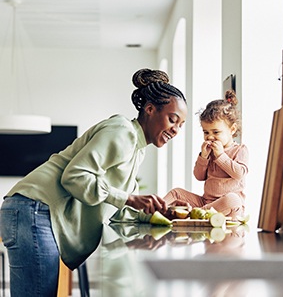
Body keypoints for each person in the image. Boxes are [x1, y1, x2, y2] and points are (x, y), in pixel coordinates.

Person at [0, 68, 187, 297]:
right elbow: (75, 177)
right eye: (173, 120)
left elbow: (121, 206)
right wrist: (129, 198)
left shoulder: (137, 149)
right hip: (33, 208)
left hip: (33, 210)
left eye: (181, 125)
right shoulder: (122, 131)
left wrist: (160, 213)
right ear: (149, 109)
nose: (176, 130)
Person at [164, 90, 249, 220]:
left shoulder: (240, 150)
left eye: (216, 132)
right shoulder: (209, 151)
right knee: (176, 192)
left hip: (226, 207)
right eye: (206, 132)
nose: (210, 137)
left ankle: (196, 215)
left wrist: (221, 156)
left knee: (233, 199)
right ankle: (155, 211)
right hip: (206, 202)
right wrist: (203, 157)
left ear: (232, 129)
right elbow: (199, 176)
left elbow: (239, 174)